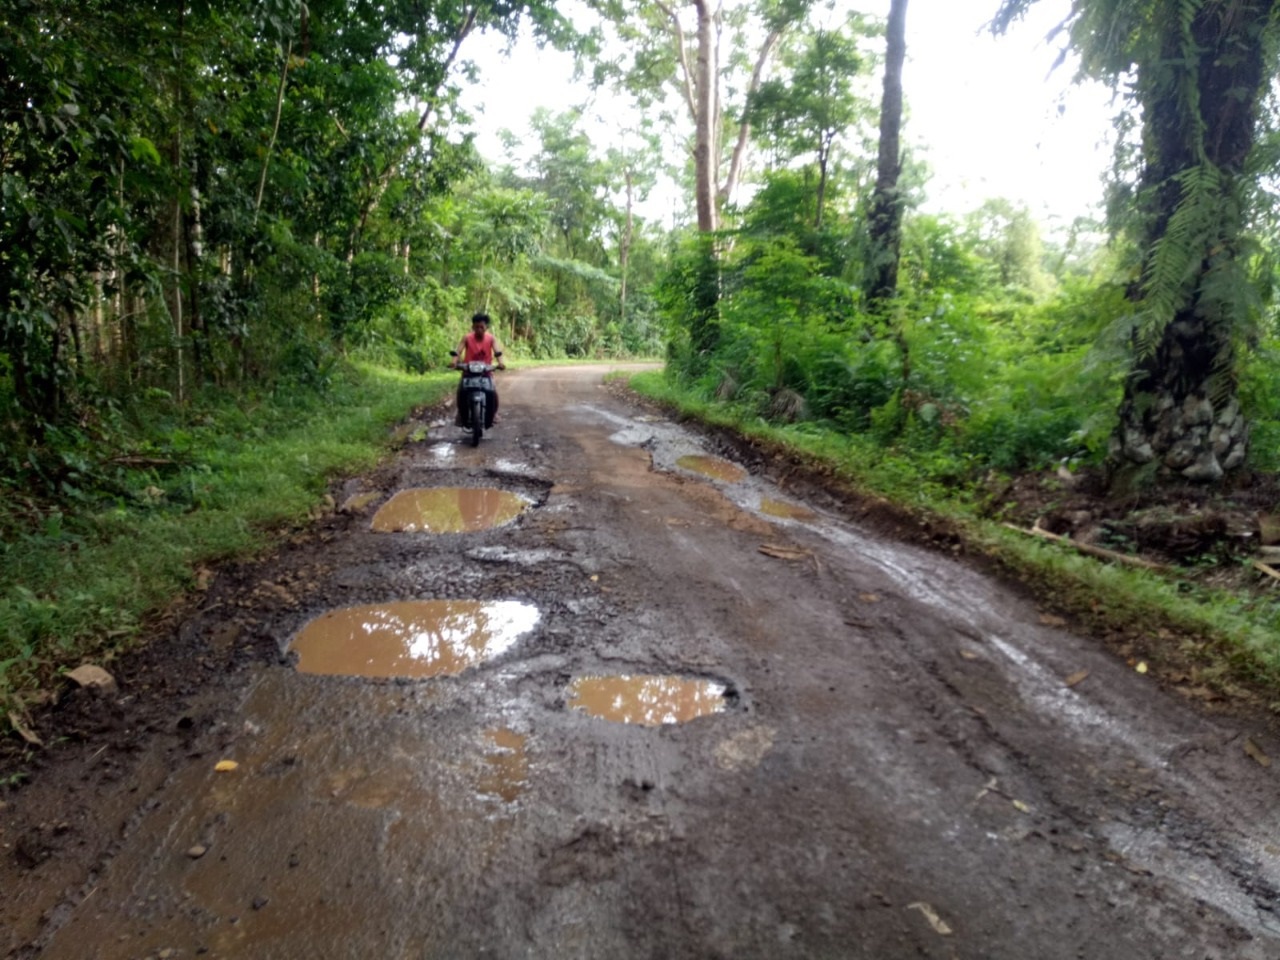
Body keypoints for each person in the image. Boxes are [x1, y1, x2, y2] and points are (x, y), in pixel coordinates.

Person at [454, 312, 505, 428]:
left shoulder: (491, 339)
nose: (479, 329)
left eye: (481, 327)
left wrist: (500, 362)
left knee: (493, 393)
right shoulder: (466, 338)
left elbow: (497, 352)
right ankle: (460, 414)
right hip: (468, 372)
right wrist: (454, 361)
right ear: (472, 327)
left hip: (485, 372)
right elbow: (458, 351)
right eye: (476, 327)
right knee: (461, 391)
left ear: (486, 327)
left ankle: (493, 413)